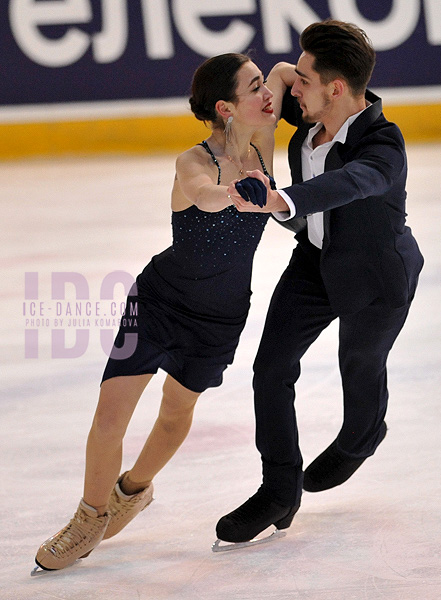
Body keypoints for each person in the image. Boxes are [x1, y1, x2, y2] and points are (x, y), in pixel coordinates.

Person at [34, 53, 277, 571]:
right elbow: (204, 197)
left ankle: (132, 491)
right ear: (225, 108)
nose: (268, 93)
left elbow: (281, 69)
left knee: (174, 413)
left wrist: (278, 74)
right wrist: (234, 193)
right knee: (111, 413)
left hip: (220, 318)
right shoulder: (194, 162)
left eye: (263, 85)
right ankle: (87, 517)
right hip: (159, 302)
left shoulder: (264, 141)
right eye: (254, 88)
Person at [216, 20, 424, 544]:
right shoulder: (308, 113)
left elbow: (353, 181)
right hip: (313, 263)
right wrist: (292, 67)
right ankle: (279, 491)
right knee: (271, 367)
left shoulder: (383, 143)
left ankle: (362, 436)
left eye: (304, 79)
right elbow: (282, 77)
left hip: (376, 273)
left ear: (334, 88)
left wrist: (283, 200)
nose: (291, 87)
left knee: (359, 365)